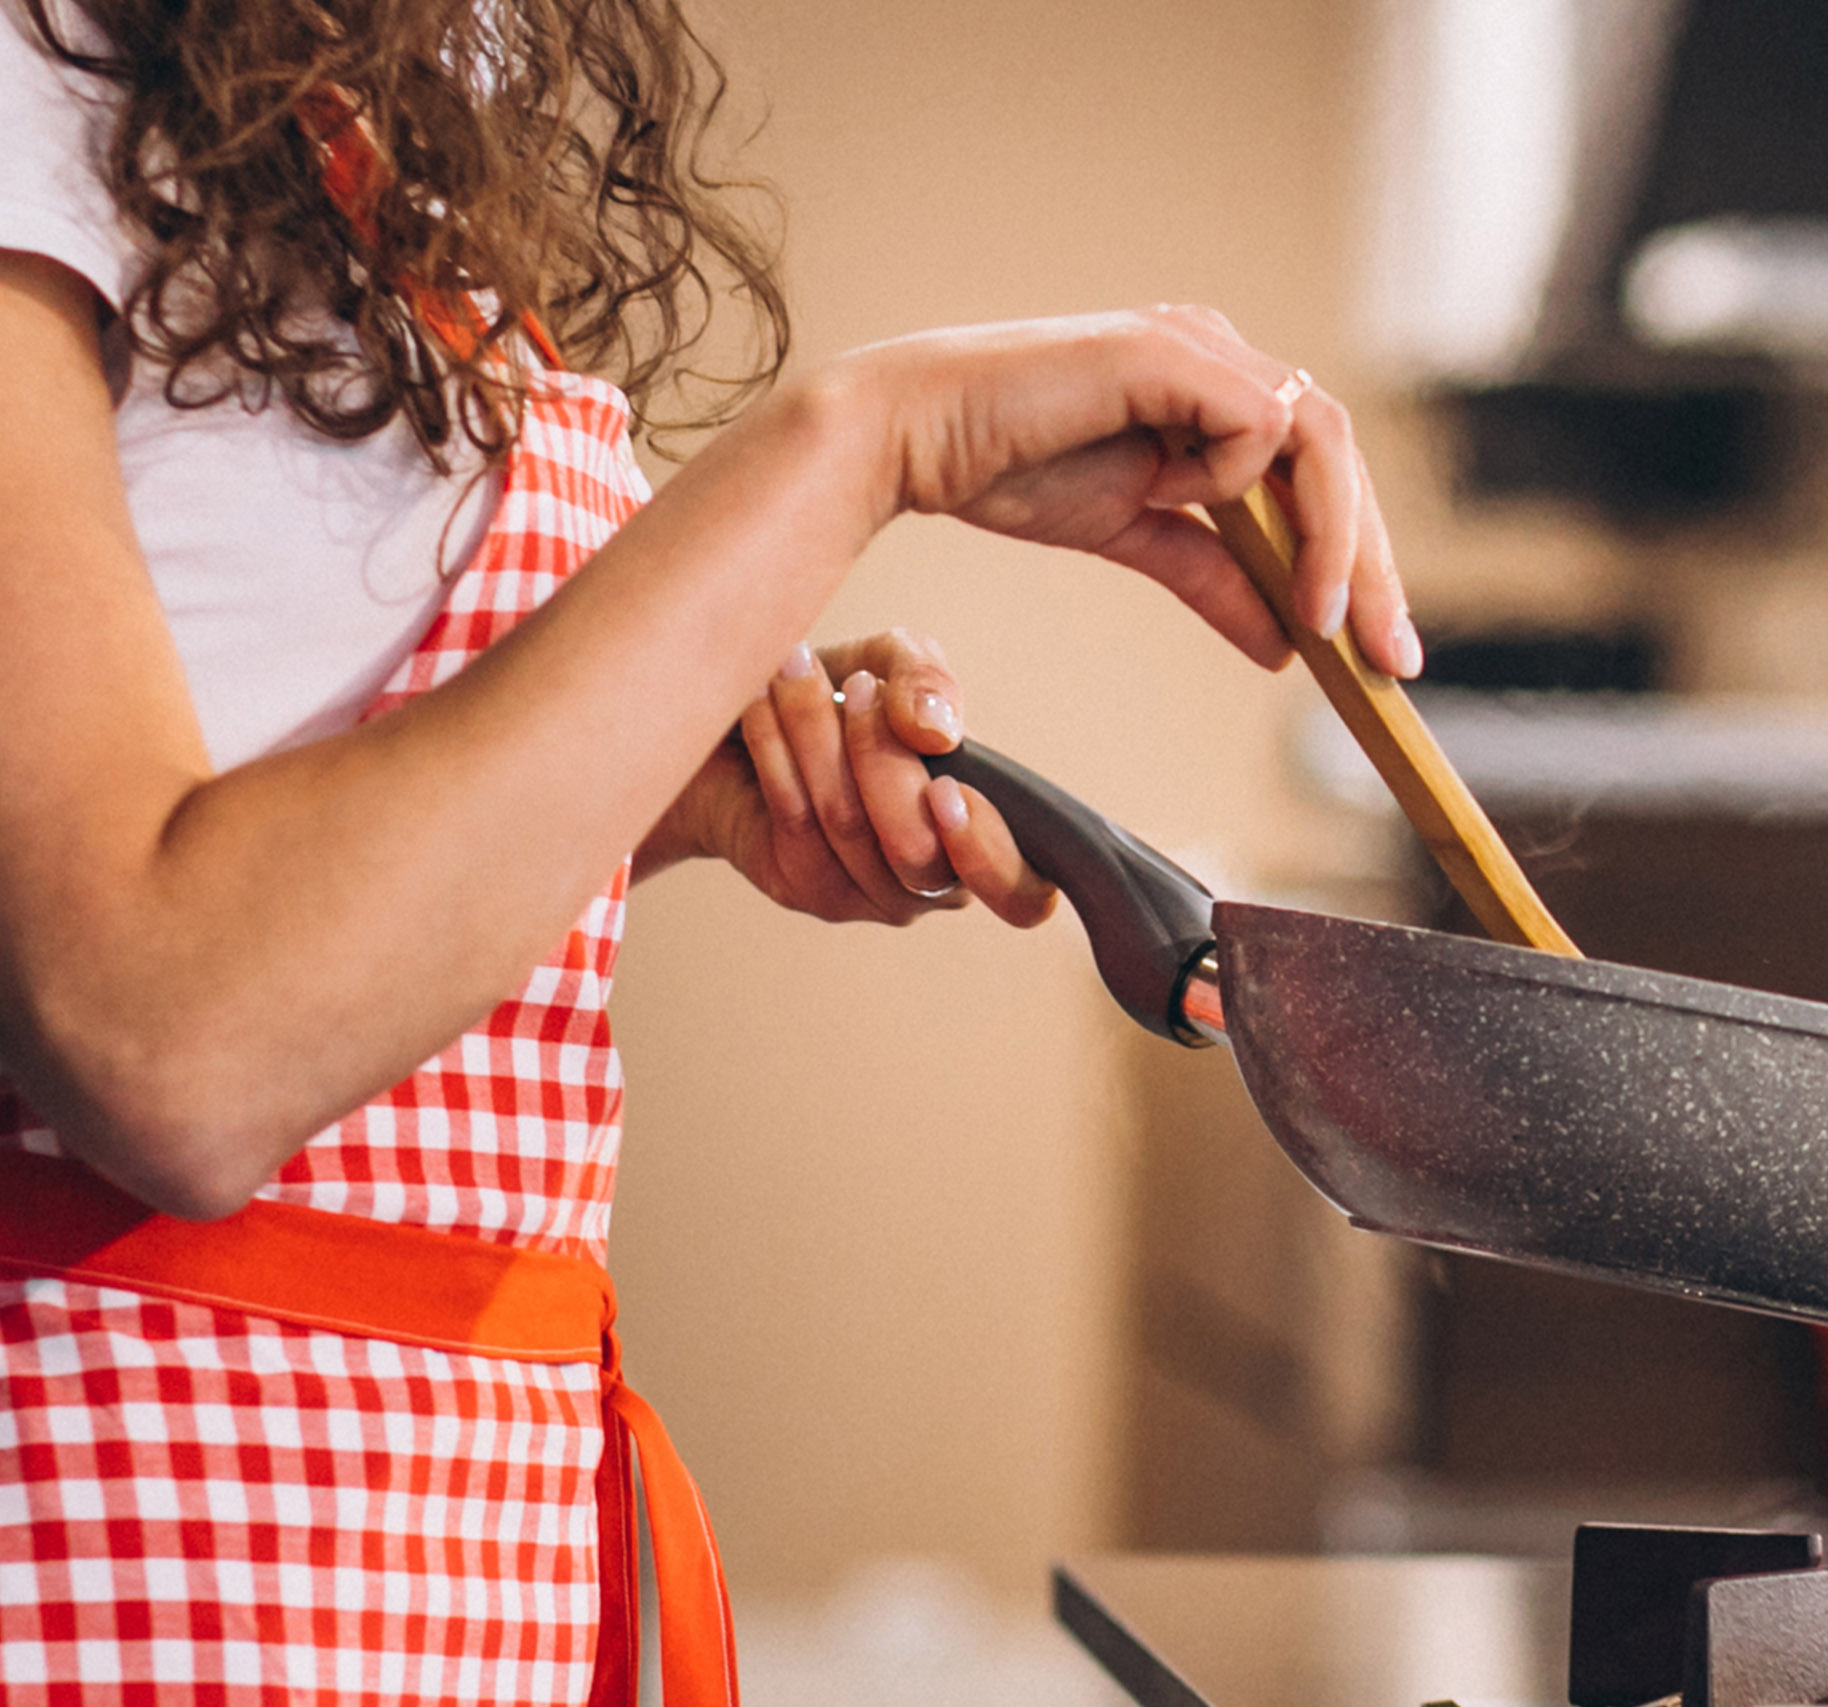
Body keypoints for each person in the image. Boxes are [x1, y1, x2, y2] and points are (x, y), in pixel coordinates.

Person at [0, 0, 1419, 1699]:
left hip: (429, 1546)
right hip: (135, 1547)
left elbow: (285, 789)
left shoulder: (355, 102)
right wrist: (868, 441)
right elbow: (163, 1034)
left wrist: (663, 793)